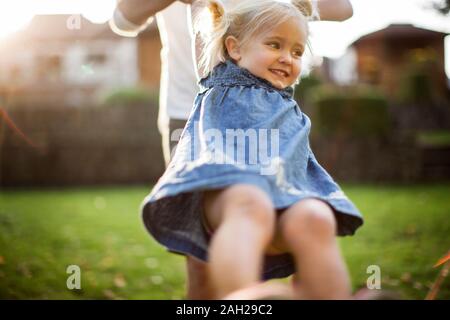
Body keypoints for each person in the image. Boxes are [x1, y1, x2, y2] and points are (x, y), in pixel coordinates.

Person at [110, 0, 356, 300]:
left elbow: (343, 8)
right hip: (194, 121)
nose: (287, 59)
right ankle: (243, 301)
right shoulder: (219, 66)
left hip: (274, 164)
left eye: (297, 52)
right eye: (275, 45)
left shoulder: (280, 89)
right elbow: (123, 18)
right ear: (233, 48)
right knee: (237, 221)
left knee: (314, 219)